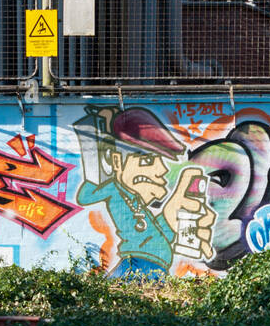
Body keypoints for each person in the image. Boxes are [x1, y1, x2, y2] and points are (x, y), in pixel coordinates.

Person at [75, 108, 215, 277]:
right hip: (138, 266)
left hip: (150, 266)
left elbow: (149, 233)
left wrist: (172, 213)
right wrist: (94, 154)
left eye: (161, 160)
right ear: (116, 161)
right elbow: (86, 194)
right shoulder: (113, 189)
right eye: (147, 160)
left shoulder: (134, 198)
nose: (162, 170)